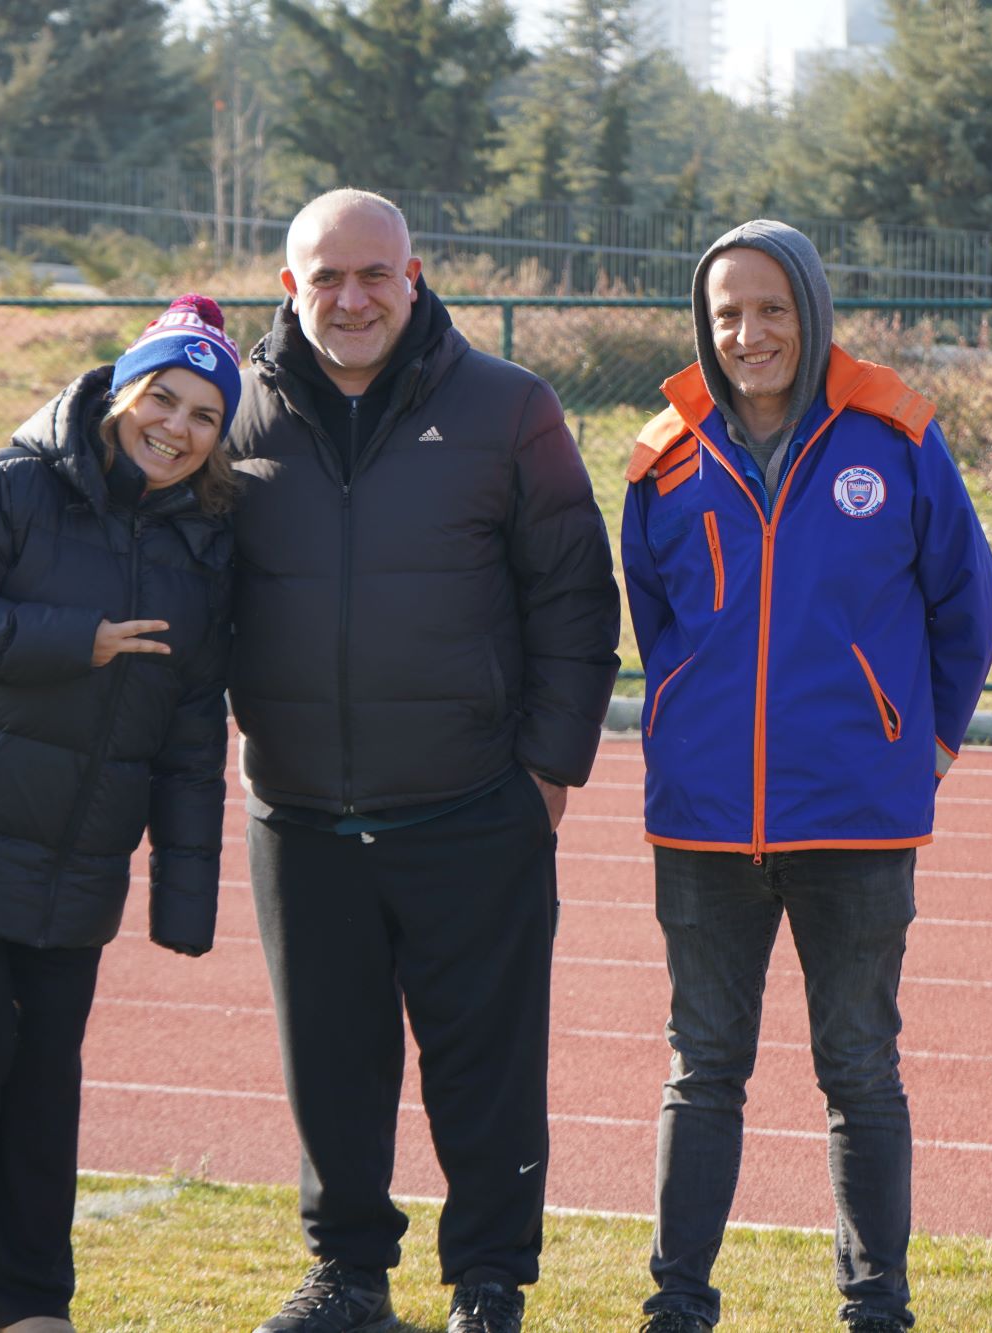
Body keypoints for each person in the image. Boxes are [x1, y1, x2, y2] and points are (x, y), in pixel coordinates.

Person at [226, 189, 620, 1333]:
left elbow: (573, 595)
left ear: (413, 277)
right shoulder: (236, 413)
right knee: (329, 1066)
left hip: (471, 808)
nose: (350, 298)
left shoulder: (508, 406)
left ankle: (487, 1283)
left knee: (484, 1070)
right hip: (300, 814)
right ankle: (348, 1275)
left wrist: (545, 776)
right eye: (326, 277)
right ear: (290, 287)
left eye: (373, 274)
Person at [619, 220, 992, 1333]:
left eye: (771, 308)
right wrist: (685, 729)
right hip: (702, 824)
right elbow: (656, 619)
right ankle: (678, 1304)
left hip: (854, 817)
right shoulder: (662, 455)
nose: (749, 334)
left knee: (859, 1070)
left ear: (811, 311)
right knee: (702, 1069)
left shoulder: (895, 433)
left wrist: (925, 745)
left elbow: (967, 606)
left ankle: (875, 1307)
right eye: (727, 314)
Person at [0, 294, 240, 1333]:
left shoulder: (205, 549)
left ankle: (33, 1309)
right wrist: (80, 640)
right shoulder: (8, 485)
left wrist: (184, 897)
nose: (178, 427)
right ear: (122, 390)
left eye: (205, 415)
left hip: (73, 875)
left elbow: (192, 735)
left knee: (38, 1112)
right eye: (165, 397)